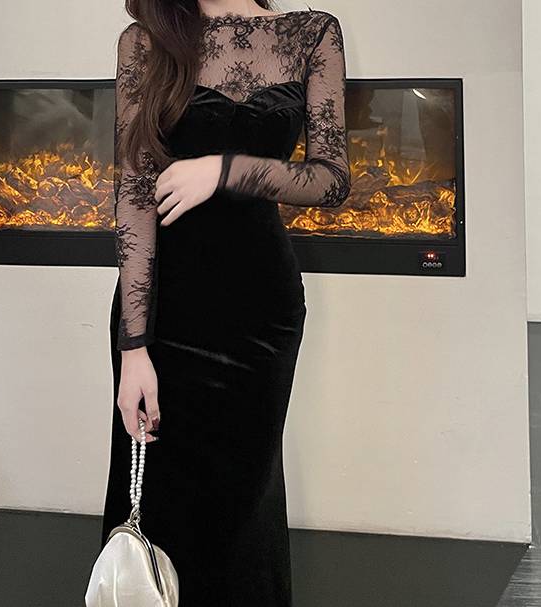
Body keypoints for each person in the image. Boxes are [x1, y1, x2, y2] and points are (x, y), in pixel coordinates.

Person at [100, 0, 351, 604]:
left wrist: (224, 171)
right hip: (164, 314)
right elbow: (134, 194)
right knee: (156, 501)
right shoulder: (145, 41)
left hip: (259, 316)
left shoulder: (311, 33)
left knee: (244, 505)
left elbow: (331, 179)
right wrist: (134, 347)